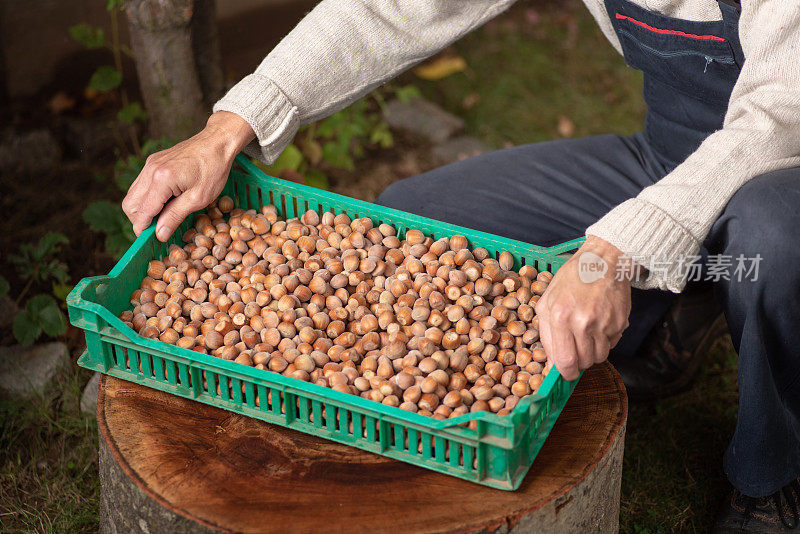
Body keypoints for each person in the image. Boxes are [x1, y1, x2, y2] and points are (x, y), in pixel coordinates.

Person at [121, 0, 800, 530]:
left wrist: (615, 251)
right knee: (418, 217)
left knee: (767, 241)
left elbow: (779, 114)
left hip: (785, 171)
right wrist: (231, 125)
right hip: (670, 161)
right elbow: (387, 11)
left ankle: (772, 480)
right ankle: (686, 303)